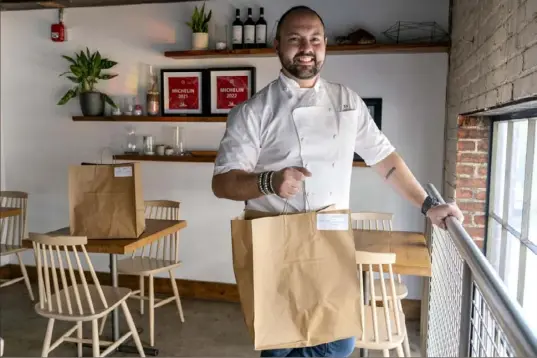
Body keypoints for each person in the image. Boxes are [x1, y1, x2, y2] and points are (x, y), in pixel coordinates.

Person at [211, 5, 464, 357]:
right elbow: (222, 183)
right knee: (281, 343)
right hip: (276, 238)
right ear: (277, 45)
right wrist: (269, 182)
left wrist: (428, 205)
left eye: (315, 39)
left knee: (339, 340)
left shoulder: (347, 102)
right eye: (295, 39)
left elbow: (384, 159)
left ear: (325, 45)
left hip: (329, 235)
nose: (306, 47)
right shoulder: (254, 111)